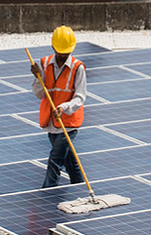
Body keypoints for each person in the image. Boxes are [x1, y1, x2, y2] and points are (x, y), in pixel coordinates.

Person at [31, 25, 87, 188]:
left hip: (68, 123)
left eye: (66, 53)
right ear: (53, 47)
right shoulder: (43, 64)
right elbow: (39, 94)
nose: (63, 56)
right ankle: (79, 185)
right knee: (68, 158)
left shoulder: (78, 68)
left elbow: (80, 97)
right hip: (50, 122)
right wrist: (37, 77)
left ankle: (47, 190)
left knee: (55, 158)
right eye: (60, 52)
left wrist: (64, 107)